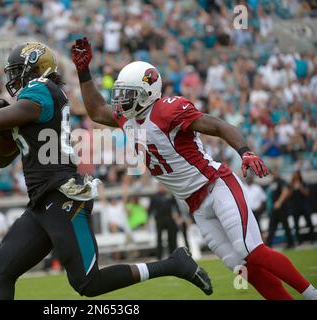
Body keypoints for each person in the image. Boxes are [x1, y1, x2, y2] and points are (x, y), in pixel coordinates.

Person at [71, 37, 317, 300]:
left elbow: (218, 126)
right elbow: (97, 111)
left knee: (251, 250)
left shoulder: (168, 111)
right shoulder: (127, 118)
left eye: (127, 94)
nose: (120, 101)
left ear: (148, 92)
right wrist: (83, 72)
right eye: (120, 93)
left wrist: (244, 151)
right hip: (196, 205)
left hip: (216, 185)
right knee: (244, 268)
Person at [0, 42, 212, 300]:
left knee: (88, 282)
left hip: (62, 196)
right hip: (42, 201)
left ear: (35, 68)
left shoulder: (41, 89)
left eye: (17, 70)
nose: (12, 78)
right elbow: (0, 158)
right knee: (1, 270)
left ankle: (174, 264)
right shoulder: (32, 100)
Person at [148, 184, 181, 259]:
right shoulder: (154, 196)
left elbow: (176, 206)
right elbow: (150, 209)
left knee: (172, 238)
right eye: (160, 186)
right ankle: (159, 257)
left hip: (170, 219)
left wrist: (178, 216)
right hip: (159, 219)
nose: (162, 187)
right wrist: (148, 219)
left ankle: (173, 255)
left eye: (163, 186)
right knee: (159, 239)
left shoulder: (170, 195)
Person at [266, 168, 295, 248]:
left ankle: (291, 243)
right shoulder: (273, 182)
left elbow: (285, 191)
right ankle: (268, 244)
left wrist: (279, 202)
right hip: (274, 209)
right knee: (272, 227)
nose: (274, 174)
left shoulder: (281, 181)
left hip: (281, 208)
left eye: (275, 172)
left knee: (286, 226)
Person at [289, 171, 315, 244]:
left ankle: (313, 239)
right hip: (295, 207)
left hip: (304, 207)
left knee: (309, 223)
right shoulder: (291, 185)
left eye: (297, 175)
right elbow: (288, 195)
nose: (295, 176)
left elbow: (306, 194)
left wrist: (300, 186)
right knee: (296, 225)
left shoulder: (303, 183)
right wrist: (292, 187)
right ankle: (299, 241)